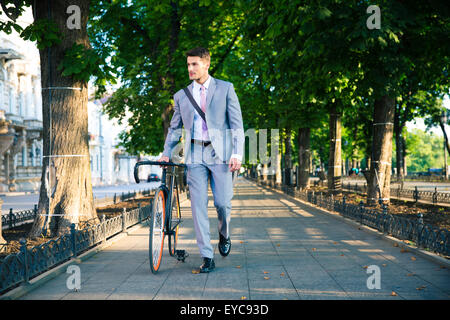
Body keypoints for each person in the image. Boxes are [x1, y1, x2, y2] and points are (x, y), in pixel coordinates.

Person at [158, 47, 244, 273]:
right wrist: (167, 151)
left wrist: (237, 153)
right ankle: (207, 256)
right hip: (195, 154)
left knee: (223, 203)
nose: (190, 69)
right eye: (188, 65)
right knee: (197, 207)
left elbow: (236, 124)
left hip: (220, 155)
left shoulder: (225, 89)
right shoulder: (181, 96)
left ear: (206, 64)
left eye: (194, 64)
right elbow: (174, 128)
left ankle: (224, 234)